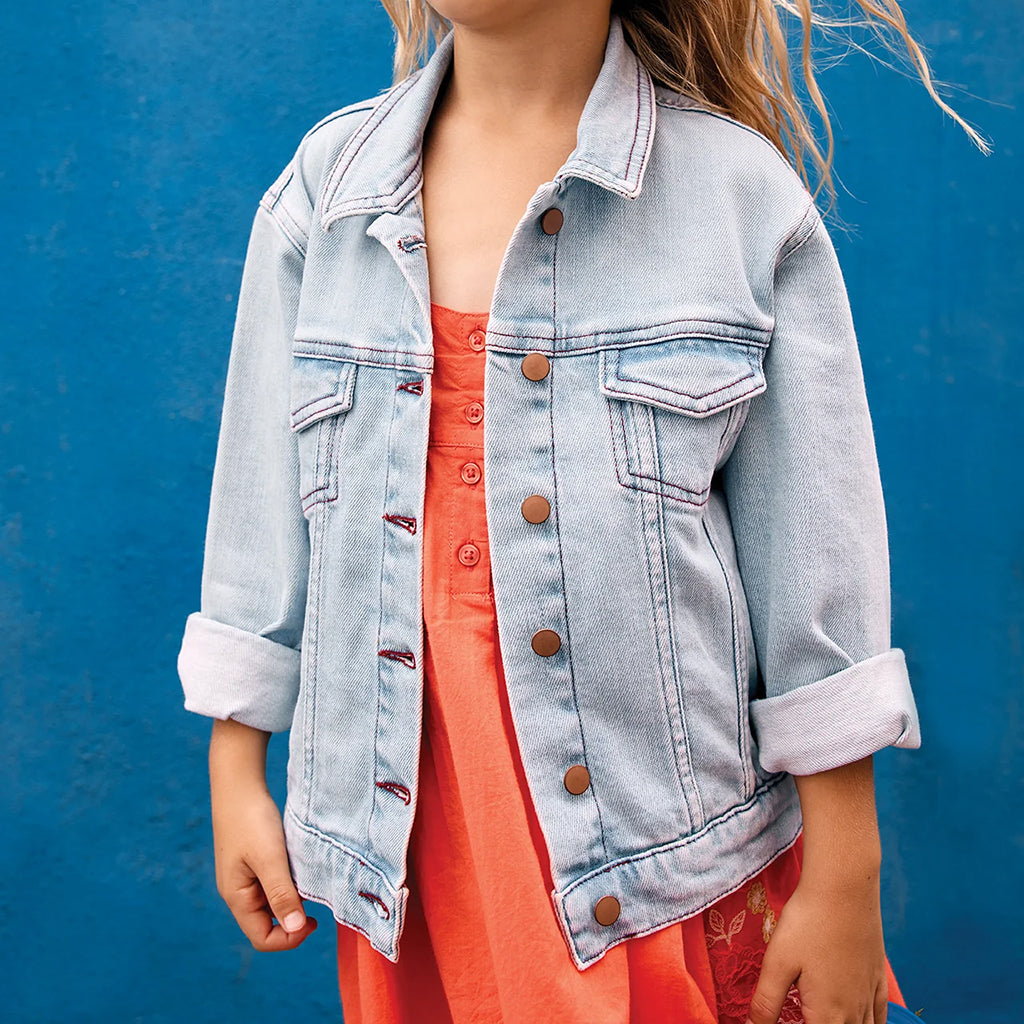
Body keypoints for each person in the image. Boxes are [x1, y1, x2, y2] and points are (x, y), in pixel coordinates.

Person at [178, 2, 985, 1022]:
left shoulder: (738, 200)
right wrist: (235, 763)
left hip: (669, 869)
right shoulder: (322, 194)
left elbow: (814, 567)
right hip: (418, 866)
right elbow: (257, 500)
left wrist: (845, 873)